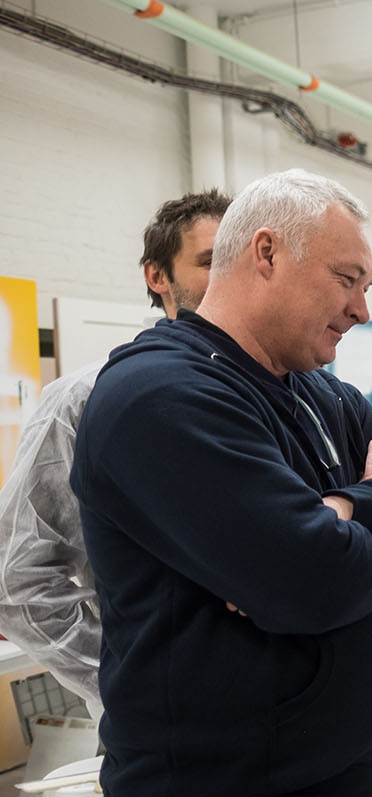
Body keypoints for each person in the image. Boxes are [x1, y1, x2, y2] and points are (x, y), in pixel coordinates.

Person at [69, 169, 372, 797]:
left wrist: (347, 507)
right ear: (266, 254)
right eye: (347, 279)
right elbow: (308, 580)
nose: (361, 309)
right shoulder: (162, 395)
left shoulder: (319, 392)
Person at [0, 189, 230, 714]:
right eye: (209, 262)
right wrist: (133, 682)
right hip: (169, 729)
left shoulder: (280, 390)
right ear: (157, 276)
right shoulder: (86, 399)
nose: (228, 278)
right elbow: (17, 580)